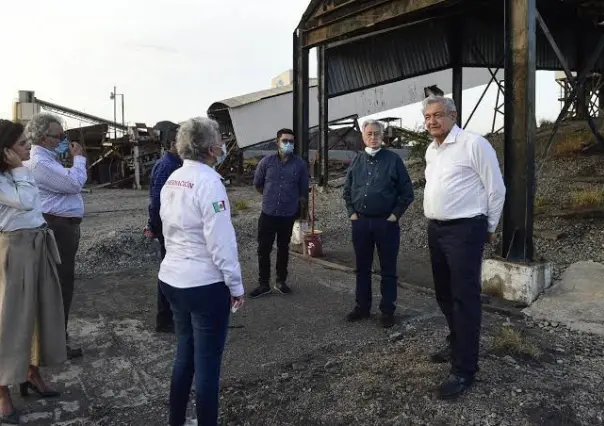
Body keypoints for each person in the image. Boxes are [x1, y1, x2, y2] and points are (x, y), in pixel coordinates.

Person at [157, 117, 245, 426]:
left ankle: (177, 421)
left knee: (185, 355)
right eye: (220, 139)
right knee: (207, 366)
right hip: (204, 284)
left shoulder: (174, 178)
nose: (222, 144)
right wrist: (235, 285)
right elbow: (221, 242)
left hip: (173, 278)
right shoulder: (209, 183)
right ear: (210, 148)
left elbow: (166, 226)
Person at [422, 95, 505, 399]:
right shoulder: (432, 150)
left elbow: (496, 189)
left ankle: (464, 369)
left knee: (465, 297)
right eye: (428, 116)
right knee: (443, 292)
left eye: (438, 115)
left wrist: (489, 227)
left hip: (466, 229)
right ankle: (457, 341)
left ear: (453, 115)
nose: (432, 121)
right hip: (437, 229)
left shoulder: (474, 144)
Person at [0, 119, 67, 424]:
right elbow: (25, 203)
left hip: (36, 244)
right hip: (15, 249)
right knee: (10, 320)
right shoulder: (8, 178)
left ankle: (31, 372)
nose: (28, 147)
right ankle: (2, 390)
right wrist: (18, 170)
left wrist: (19, 170)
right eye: (22, 145)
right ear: (5, 152)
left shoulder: (20, 172)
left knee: (40, 313)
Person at [23, 113, 87, 360]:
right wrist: (79, 159)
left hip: (62, 226)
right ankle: (56, 342)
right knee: (61, 284)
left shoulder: (49, 161)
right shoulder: (41, 164)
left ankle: (56, 335)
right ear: (43, 138)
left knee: (62, 283)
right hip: (58, 228)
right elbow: (74, 185)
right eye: (58, 136)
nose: (63, 140)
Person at [343, 119, 414, 328]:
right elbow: (347, 190)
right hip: (361, 223)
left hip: (386, 224)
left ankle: (387, 311)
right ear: (363, 137)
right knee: (362, 268)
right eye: (369, 134)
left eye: (377, 134)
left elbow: (407, 192)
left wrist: (394, 215)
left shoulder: (393, 160)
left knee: (388, 269)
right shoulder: (357, 161)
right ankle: (362, 307)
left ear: (383, 137)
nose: (373, 137)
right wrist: (352, 213)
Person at [249, 128, 309, 298]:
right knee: (263, 249)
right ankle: (263, 284)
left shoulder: (300, 165)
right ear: (277, 142)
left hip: (287, 215)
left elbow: (303, 191)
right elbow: (258, 184)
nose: (288, 144)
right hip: (268, 213)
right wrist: (270, 197)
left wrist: (300, 213)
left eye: (291, 141)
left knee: (283, 248)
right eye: (285, 141)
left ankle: (281, 281)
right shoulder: (266, 163)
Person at [145, 121, 182, 333]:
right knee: (169, 273)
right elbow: (156, 201)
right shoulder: (167, 166)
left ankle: (169, 316)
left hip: (171, 227)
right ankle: (164, 319)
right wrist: (155, 226)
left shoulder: (175, 164)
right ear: (171, 144)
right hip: (168, 228)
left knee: (172, 271)